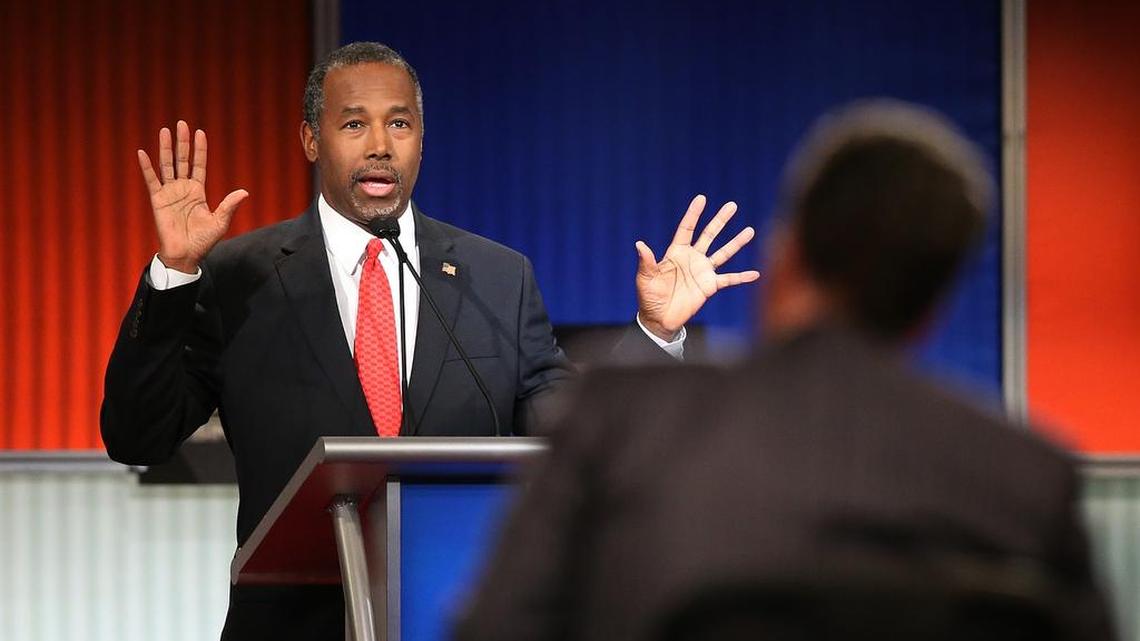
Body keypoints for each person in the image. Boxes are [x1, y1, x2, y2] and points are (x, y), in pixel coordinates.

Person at [100, 42, 758, 640]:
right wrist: (174, 275)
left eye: (400, 123)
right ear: (310, 138)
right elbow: (138, 434)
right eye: (353, 123)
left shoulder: (498, 278)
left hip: (455, 618)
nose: (379, 144)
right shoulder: (239, 277)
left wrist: (656, 333)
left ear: (421, 139)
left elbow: (572, 440)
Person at [453, 101, 1117, 641]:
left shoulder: (619, 422)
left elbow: (497, 628)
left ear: (787, 256)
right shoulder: (1031, 480)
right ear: (930, 308)